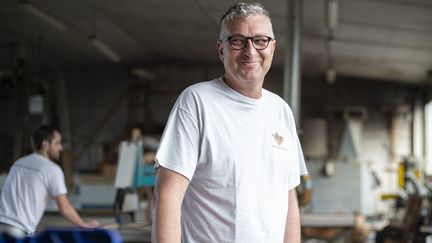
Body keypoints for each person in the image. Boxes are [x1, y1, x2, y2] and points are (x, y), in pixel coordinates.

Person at [152, 2, 308, 243]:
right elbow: (167, 195)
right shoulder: (197, 102)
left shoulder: (281, 111)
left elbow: (289, 201)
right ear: (221, 50)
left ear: (272, 48)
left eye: (260, 40)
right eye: (237, 40)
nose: (250, 51)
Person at [0, 125, 100, 236]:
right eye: (57, 143)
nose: (61, 148)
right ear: (45, 144)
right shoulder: (52, 170)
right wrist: (83, 225)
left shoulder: (18, 163)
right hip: (17, 230)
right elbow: (64, 208)